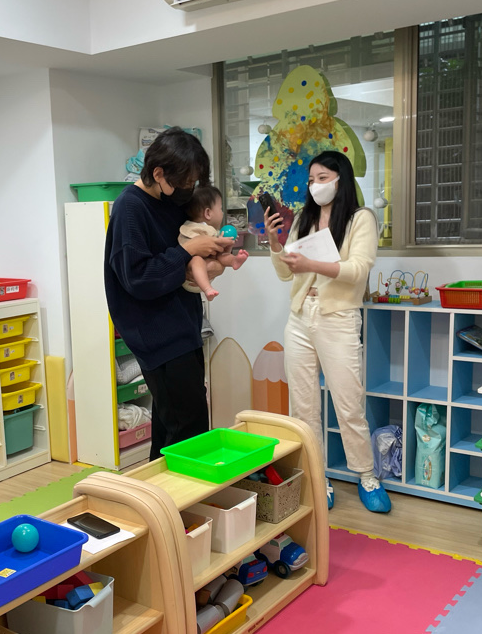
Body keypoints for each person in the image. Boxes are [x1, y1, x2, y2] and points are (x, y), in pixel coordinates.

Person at [262, 150, 390, 513]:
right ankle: (319, 477)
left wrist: (312, 263)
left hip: (338, 317)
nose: (315, 185)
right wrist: (275, 244)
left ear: (340, 179)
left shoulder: (360, 218)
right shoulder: (304, 218)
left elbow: (358, 270)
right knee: (303, 405)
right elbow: (287, 273)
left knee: (349, 402)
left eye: (322, 178)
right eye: (311, 179)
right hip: (300, 317)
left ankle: (366, 475)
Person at [103, 128, 233, 460]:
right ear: (158, 173)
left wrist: (211, 258)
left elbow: (184, 264)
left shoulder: (171, 202)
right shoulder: (130, 208)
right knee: (188, 431)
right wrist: (189, 250)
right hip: (157, 335)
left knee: (170, 428)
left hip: (183, 327)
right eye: (185, 182)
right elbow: (138, 279)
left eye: (194, 182)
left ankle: (159, 492)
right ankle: (179, 493)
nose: (189, 189)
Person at [179, 184, 249, 301]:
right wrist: (220, 242)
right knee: (197, 260)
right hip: (191, 280)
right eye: (220, 209)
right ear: (208, 213)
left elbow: (216, 252)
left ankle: (234, 261)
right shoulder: (193, 228)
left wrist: (227, 245)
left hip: (204, 274)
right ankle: (207, 289)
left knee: (221, 256)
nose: (222, 213)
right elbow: (193, 247)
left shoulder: (211, 230)